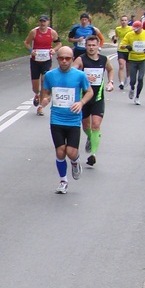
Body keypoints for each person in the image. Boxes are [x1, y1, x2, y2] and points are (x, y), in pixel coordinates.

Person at [36, 47, 93, 194]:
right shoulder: (50, 75)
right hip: (56, 119)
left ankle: (75, 162)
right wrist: (45, 100)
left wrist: (81, 103)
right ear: (57, 59)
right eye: (61, 58)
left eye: (67, 58)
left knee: (71, 152)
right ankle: (63, 181)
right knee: (60, 152)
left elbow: (89, 92)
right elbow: (46, 92)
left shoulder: (80, 75)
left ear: (72, 59)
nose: (64, 61)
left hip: (73, 119)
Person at [74, 34, 114, 167]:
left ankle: (93, 155)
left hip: (98, 97)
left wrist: (111, 82)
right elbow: (72, 73)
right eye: (89, 45)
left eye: (93, 45)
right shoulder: (81, 59)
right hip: (84, 98)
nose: (91, 48)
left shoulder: (104, 59)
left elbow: (110, 70)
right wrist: (84, 77)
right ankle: (91, 137)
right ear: (85, 46)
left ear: (98, 46)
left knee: (96, 124)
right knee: (86, 126)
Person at [23, 15, 59, 114]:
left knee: (44, 81)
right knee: (35, 87)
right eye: (41, 21)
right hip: (35, 61)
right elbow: (26, 43)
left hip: (46, 60)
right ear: (39, 22)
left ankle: (40, 107)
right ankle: (37, 94)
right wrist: (31, 50)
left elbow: (59, 43)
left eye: (44, 21)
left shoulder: (52, 32)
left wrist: (54, 50)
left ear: (48, 22)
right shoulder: (34, 32)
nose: (43, 23)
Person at [119, 19, 145, 105]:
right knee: (133, 80)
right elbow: (121, 45)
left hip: (142, 59)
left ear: (141, 28)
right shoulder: (129, 34)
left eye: (136, 29)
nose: (135, 31)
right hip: (132, 59)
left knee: (140, 78)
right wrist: (127, 46)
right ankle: (132, 88)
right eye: (134, 29)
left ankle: (137, 97)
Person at [114, 15, 134, 89]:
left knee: (128, 67)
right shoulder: (117, 29)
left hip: (128, 49)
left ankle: (127, 79)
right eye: (122, 20)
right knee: (121, 65)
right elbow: (116, 36)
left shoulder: (131, 29)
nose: (124, 22)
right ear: (120, 21)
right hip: (120, 49)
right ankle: (121, 83)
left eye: (125, 20)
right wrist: (115, 39)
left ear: (127, 21)